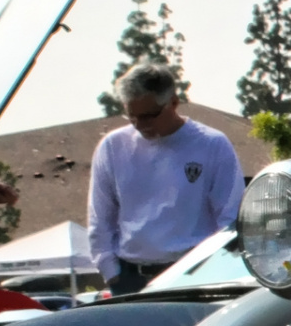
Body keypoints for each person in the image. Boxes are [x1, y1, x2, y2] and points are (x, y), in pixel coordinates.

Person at [88, 63, 242, 296]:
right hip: (130, 279)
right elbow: (100, 218)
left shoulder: (212, 144)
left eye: (149, 116)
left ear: (174, 102)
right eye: (132, 116)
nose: (141, 124)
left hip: (195, 276)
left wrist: (217, 270)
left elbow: (231, 219)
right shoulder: (112, 146)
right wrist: (112, 274)